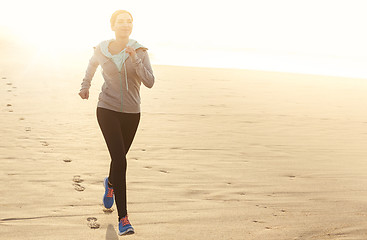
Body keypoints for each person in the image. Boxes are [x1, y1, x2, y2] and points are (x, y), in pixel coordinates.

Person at [78, 10, 154, 235]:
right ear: (113, 26)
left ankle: (110, 183)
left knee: (118, 161)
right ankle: (124, 219)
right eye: (121, 22)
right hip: (107, 109)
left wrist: (135, 60)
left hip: (132, 113)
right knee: (120, 159)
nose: (125, 25)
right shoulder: (102, 49)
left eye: (129, 22)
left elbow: (149, 82)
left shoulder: (140, 50)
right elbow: (91, 65)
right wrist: (85, 86)